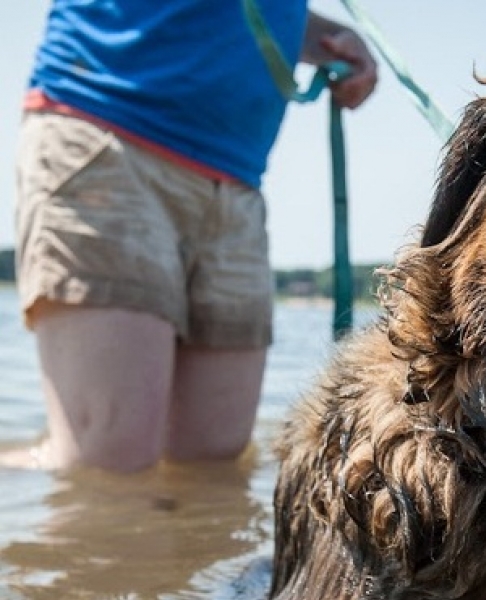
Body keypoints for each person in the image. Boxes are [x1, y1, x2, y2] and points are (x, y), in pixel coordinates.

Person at [13, 1, 378, 472]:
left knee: (214, 459)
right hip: (106, 134)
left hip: (236, 182)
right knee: (104, 459)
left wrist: (325, 37)